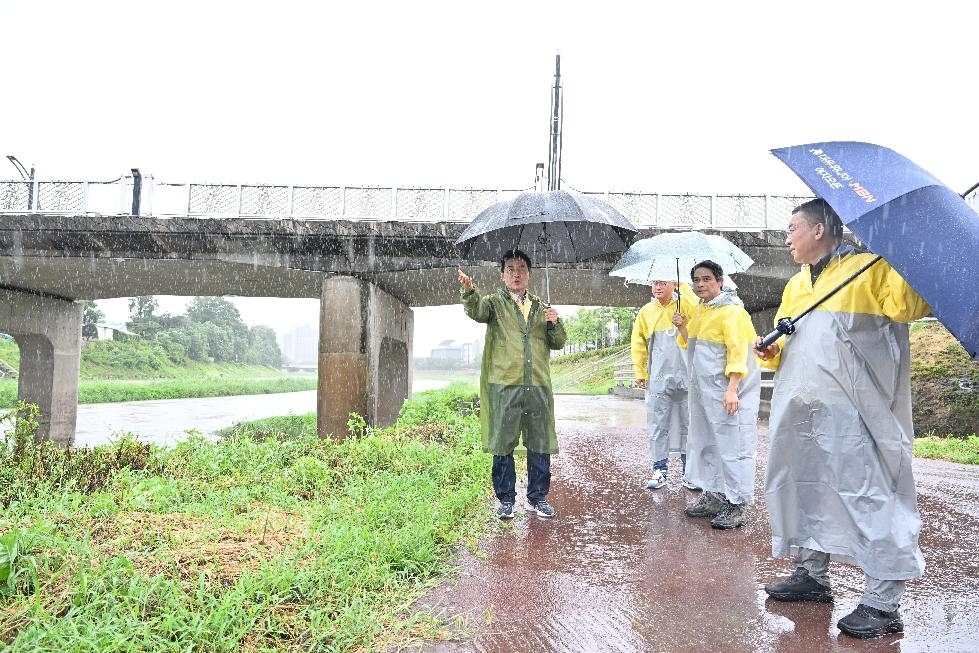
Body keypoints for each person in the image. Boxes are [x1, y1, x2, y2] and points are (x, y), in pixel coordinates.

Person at [755, 198, 930, 639]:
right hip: (803, 412)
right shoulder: (797, 284)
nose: (787, 237)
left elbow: (911, 306)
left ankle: (883, 601)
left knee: (870, 496)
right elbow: (795, 342)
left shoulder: (872, 267)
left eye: (792, 228)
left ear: (818, 230)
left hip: (858, 415)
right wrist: (771, 349)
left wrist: (901, 249)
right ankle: (812, 576)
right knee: (806, 487)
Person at [458, 249, 566, 520]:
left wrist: (555, 323)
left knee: (539, 441)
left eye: (521, 268)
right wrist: (470, 291)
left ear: (529, 274)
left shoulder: (543, 307)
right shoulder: (494, 303)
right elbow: (477, 311)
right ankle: (506, 499)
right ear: (502, 275)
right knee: (502, 442)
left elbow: (558, 343)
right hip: (504, 384)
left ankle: (537, 498)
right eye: (510, 269)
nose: (516, 273)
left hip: (537, 384)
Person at [672, 260, 760, 529]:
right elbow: (694, 347)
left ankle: (737, 503)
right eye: (696, 280)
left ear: (720, 281)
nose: (700, 284)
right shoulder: (701, 310)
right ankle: (714, 494)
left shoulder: (732, 312)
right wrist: (682, 327)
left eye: (707, 279)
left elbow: (738, 352)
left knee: (733, 445)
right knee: (707, 441)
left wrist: (733, 388)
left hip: (725, 390)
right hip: (704, 391)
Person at [630, 279, 698, 490]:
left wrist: (683, 289)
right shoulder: (646, 312)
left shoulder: (686, 304)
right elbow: (638, 342)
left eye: (662, 283)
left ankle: (690, 472)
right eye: (654, 283)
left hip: (687, 374)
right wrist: (640, 370)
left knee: (690, 424)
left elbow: (699, 322)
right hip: (658, 376)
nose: (657, 287)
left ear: (673, 284)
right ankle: (660, 469)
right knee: (658, 424)